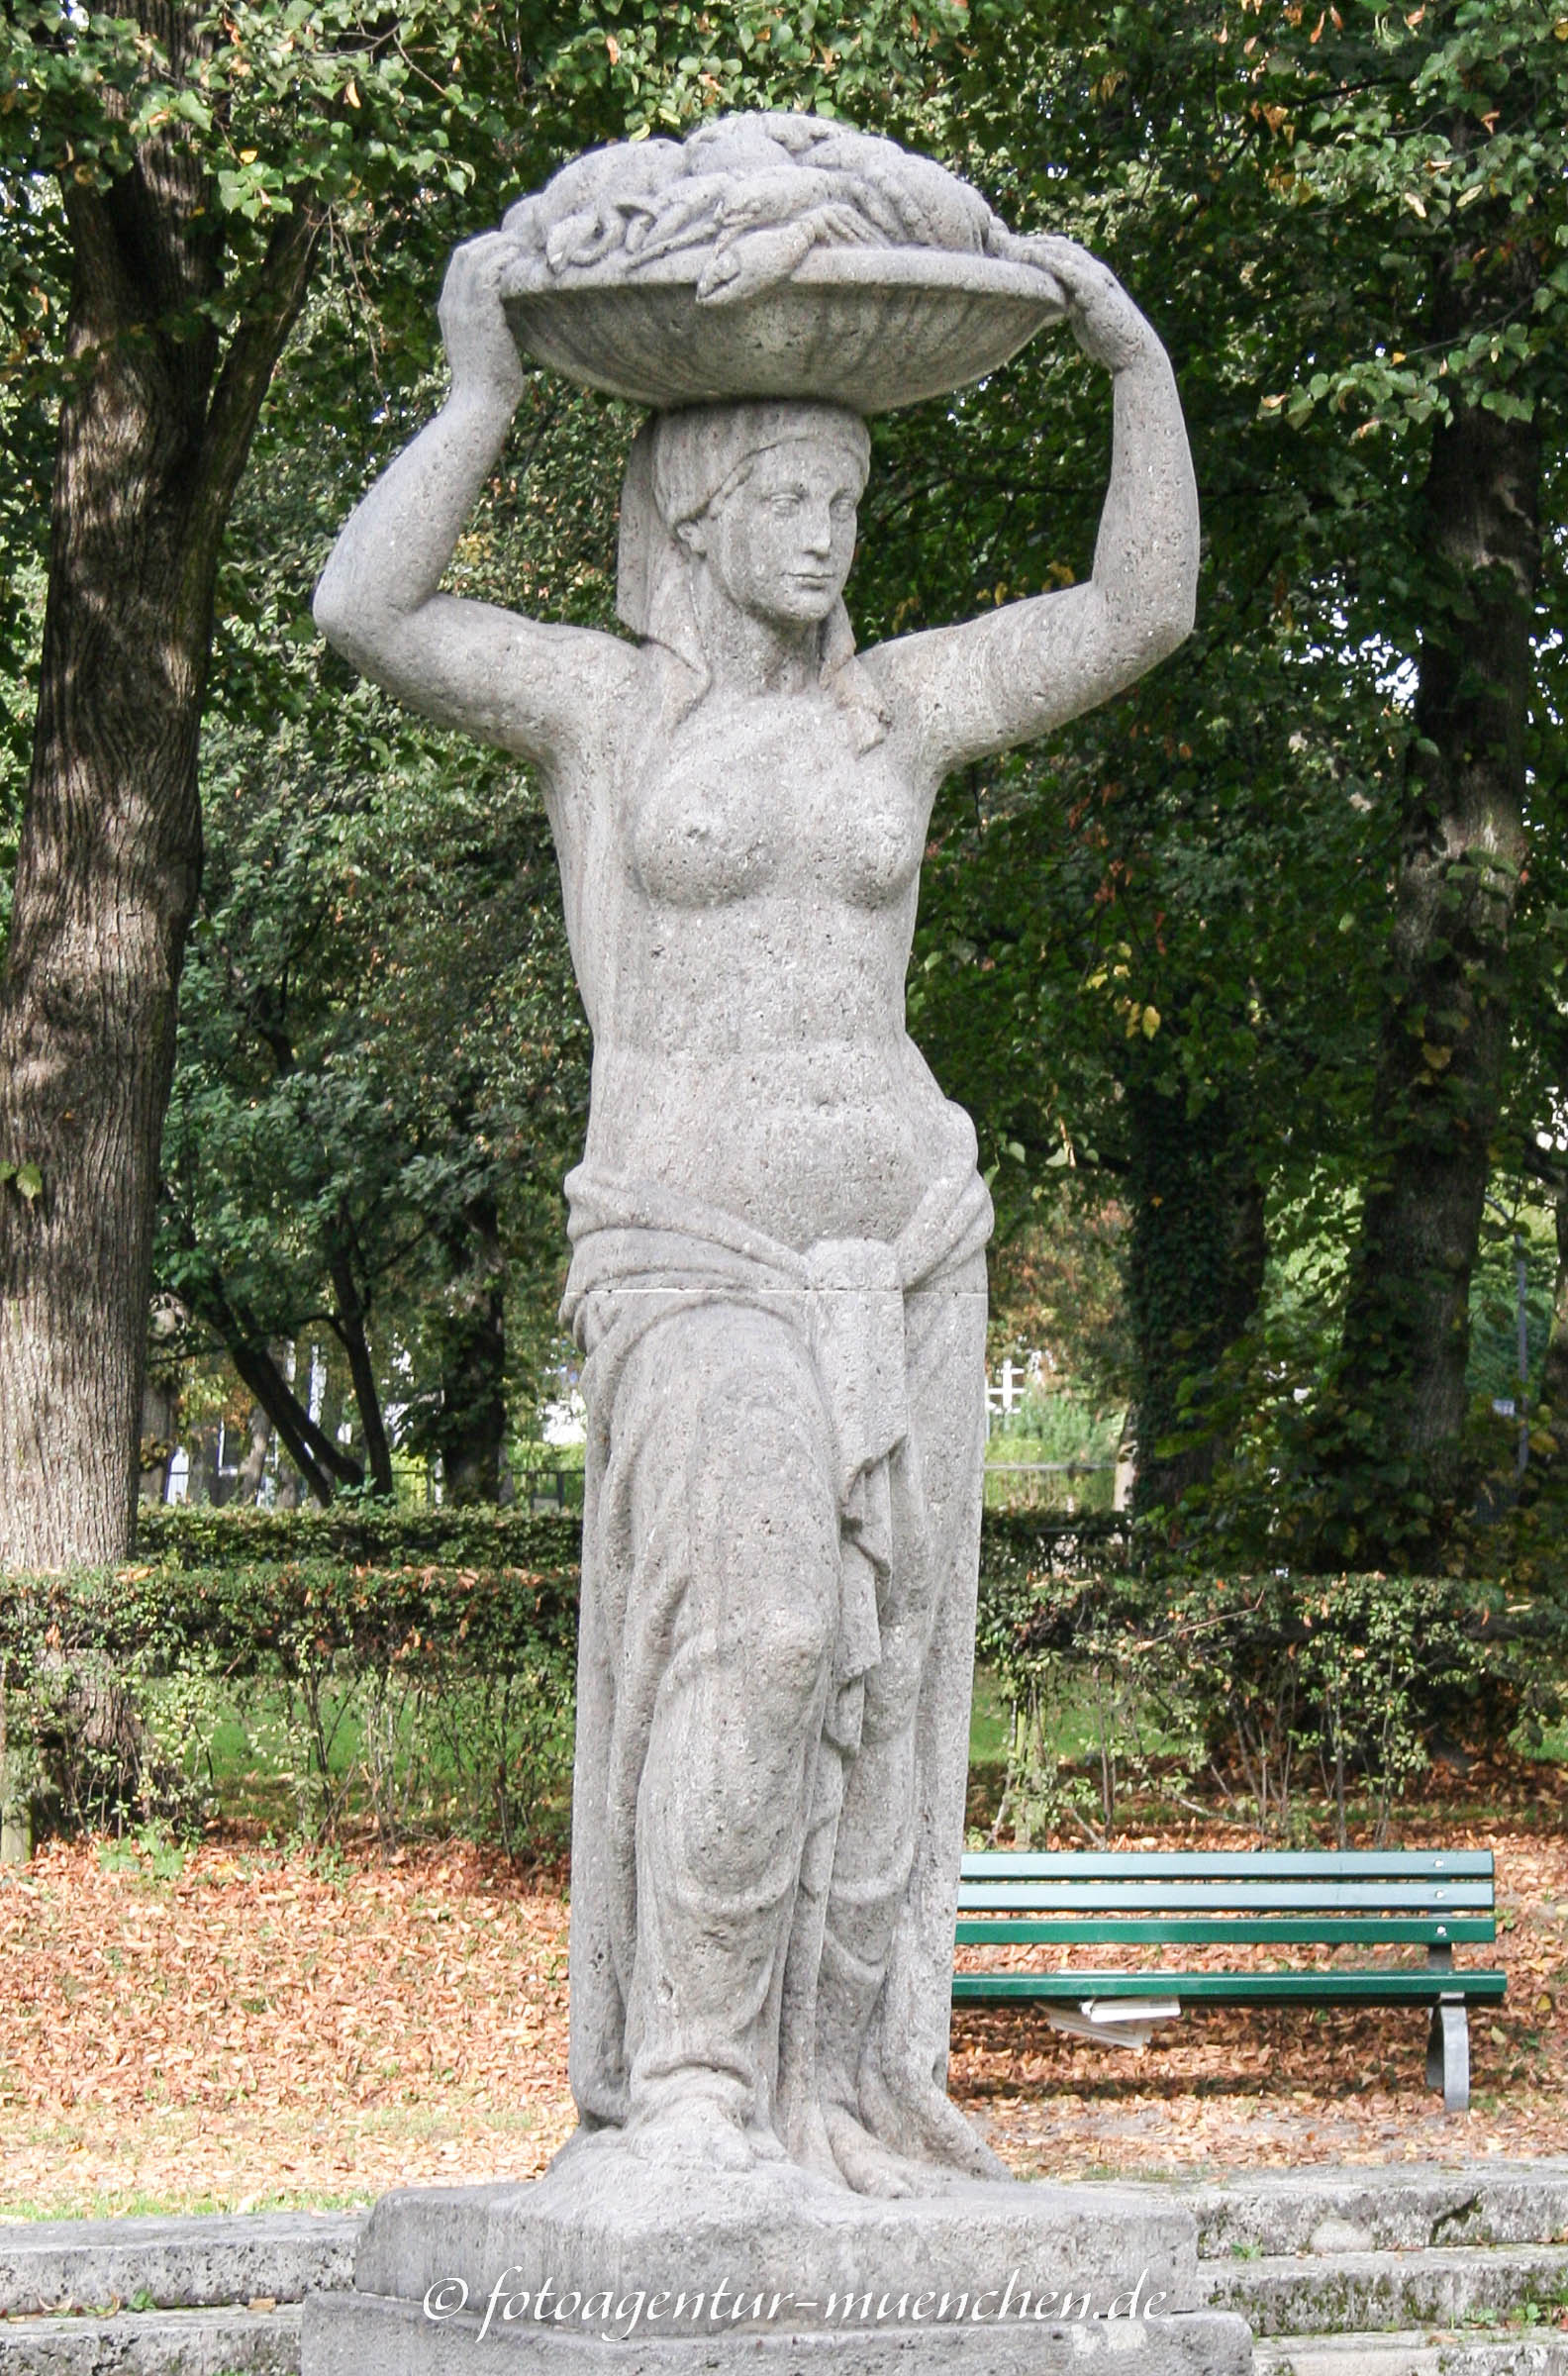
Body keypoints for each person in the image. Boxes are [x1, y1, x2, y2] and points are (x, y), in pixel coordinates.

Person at [314, 227, 1197, 2196]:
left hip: (905, 1235)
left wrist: (1129, 367)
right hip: (685, 1237)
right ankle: (692, 2083)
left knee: (871, 1692)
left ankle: (824, 2081)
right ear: (697, 519)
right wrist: (476, 393)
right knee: (772, 1630)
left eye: (844, 495)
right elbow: (364, 611)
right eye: (782, 496)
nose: (821, 528)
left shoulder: (897, 707)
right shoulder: (606, 711)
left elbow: (1136, 610)